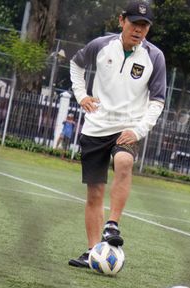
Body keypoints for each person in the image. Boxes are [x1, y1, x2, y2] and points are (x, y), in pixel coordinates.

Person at [67, 0, 166, 268]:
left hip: (127, 129)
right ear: (122, 21)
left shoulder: (154, 57)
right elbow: (76, 65)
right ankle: (93, 253)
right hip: (95, 128)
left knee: (124, 161)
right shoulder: (100, 45)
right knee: (95, 194)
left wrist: (138, 130)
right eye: (135, 23)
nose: (139, 30)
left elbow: (157, 101)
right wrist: (82, 96)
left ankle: (112, 225)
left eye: (144, 26)